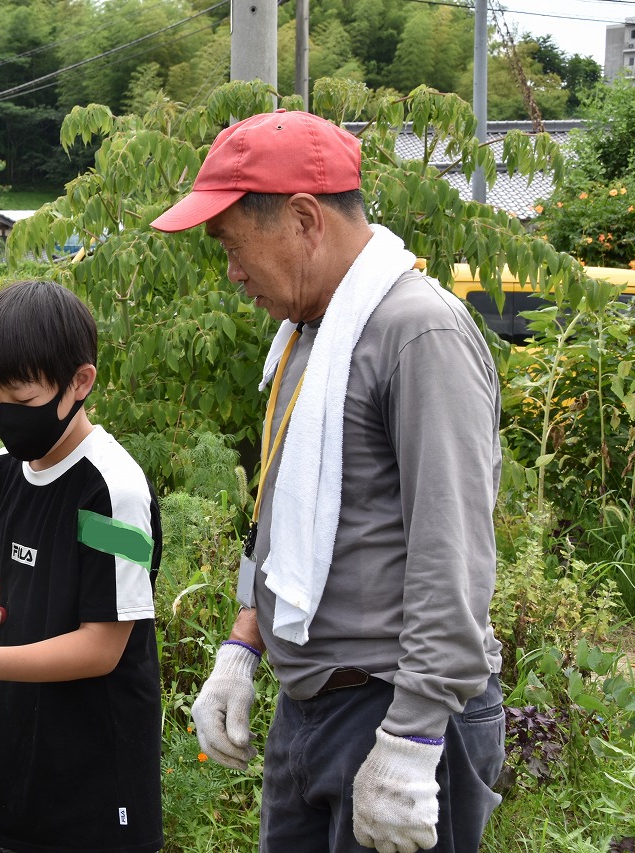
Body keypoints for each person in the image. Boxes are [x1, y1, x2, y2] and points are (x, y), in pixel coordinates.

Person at [151, 110, 506, 853]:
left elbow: (454, 553)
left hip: (394, 709)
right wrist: (245, 643)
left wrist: (410, 740)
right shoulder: (311, 335)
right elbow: (284, 513)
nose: (232, 271)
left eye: (232, 244)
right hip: (313, 710)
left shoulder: (415, 332)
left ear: (304, 218)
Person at [0, 280, 164, 853]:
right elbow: (0, 584)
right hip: (12, 762)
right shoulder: (2, 474)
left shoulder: (110, 494)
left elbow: (104, 645)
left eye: (21, 404)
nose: (6, 420)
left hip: (96, 782)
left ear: (80, 382)